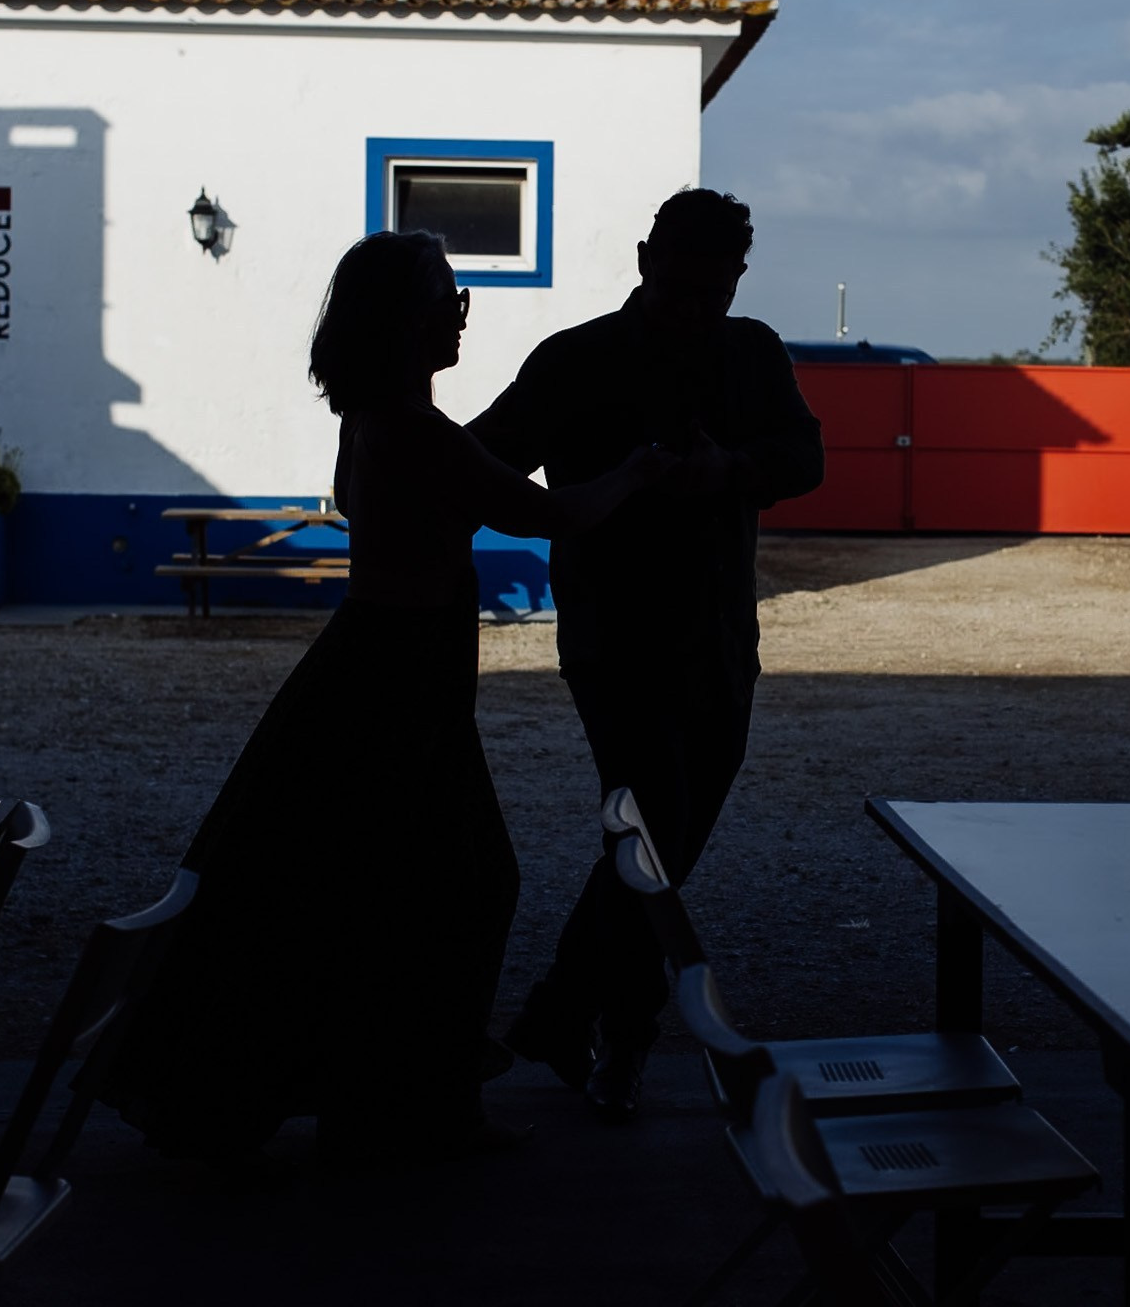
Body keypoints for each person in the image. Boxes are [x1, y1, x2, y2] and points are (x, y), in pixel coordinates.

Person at [104, 230, 670, 1164]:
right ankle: (421, 1103)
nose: (459, 311)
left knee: (370, 892)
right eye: (445, 295)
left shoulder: (370, 420)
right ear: (401, 319)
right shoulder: (412, 432)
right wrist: (642, 468)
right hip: (400, 685)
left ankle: (388, 1099)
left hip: (373, 672)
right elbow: (549, 512)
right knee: (467, 884)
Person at [470, 188, 824, 1122]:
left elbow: (803, 459)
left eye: (711, 292)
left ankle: (570, 1017)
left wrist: (729, 469)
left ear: (736, 280)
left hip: (714, 642)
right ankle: (610, 1034)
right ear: (643, 262)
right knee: (656, 829)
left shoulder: (750, 351)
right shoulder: (575, 360)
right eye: (679, 288)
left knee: (653, 844)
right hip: (617, 642)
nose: (692, 309)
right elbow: (485, 464)